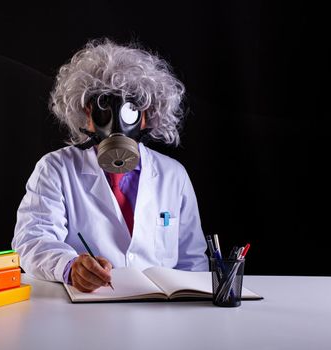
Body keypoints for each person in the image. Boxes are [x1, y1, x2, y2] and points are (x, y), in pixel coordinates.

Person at [12, 38, 208, 293]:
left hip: (160, 317)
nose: (116, 124)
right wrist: (70, 267)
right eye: (103, 109)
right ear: (86, 116)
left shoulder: (173, 174)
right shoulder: (55, 169)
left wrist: (191, 302)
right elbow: (31, 240)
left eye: (130, 110)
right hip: (86, 310)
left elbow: (193, 260)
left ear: (147, 115)